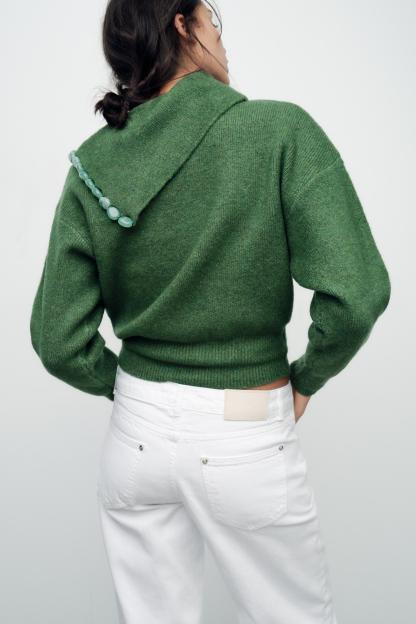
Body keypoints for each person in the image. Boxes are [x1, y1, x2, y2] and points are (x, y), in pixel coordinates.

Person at [29, 1, 391, 622]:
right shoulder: (279, 133)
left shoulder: (93, 165)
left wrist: (135, 392)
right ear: (182, 26)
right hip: (245, 430)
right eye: (212, 22)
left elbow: (55, 338)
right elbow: (357, 293)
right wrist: (307, 379)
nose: (221, 39)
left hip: (135, 441)